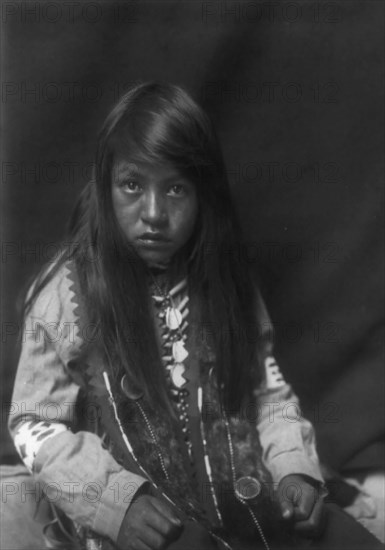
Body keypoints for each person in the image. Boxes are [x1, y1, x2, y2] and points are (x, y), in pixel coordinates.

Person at [8, 82, 383, 550]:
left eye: (176, 189)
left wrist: (293, 469)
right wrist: (112, 500)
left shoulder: (225, 282)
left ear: (204, 195)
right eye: (131, 185)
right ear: (105, 186)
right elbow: (34, 424)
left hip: (243, 489)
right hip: (144, 511)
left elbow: (268, 394)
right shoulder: (65, 292)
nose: (153, 213)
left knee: (345, 539)